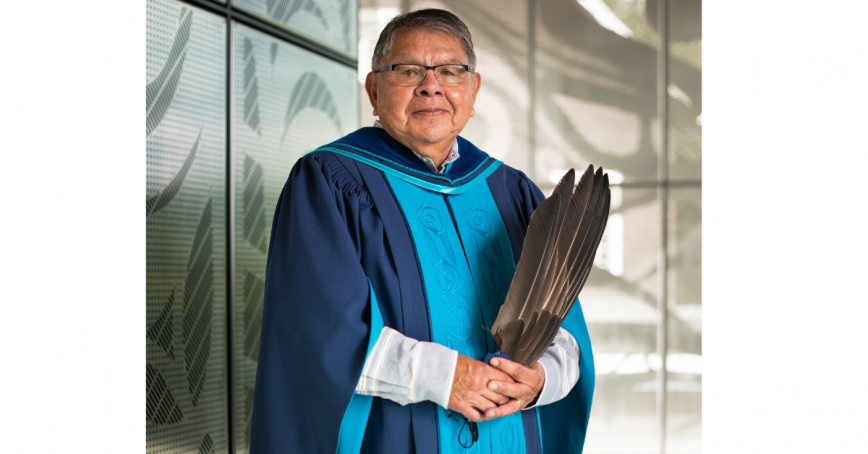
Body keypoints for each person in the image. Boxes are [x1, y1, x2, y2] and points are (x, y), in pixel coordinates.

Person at [249, 9, 594, 454]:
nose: (431, 85)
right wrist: (446, 378)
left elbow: (564, 329)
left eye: (451, 71)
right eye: (408, 70)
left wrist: (540, 377)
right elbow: (318, 334)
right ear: (374, 90)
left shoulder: (512, 191)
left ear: (473, 90)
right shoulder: (330, 182)